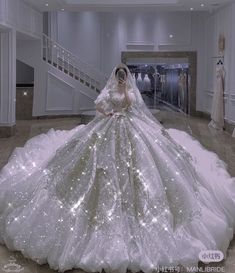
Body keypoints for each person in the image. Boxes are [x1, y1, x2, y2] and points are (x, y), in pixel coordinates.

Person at [0, 63, 235, 273]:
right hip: (110, 125)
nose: (122, 79)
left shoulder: (130, 92)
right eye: (120, 76)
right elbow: (98, 103)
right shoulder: (111, 90)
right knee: (96, 165)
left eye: (124, 76)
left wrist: (125, 102)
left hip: (130, 127)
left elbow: (135, 109)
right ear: (116, 76)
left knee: (144, 166)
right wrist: (107, 112)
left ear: (126, 77)